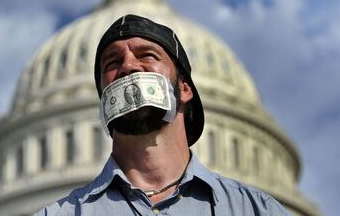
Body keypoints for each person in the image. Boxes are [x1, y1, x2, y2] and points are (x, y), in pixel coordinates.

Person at [34, 14, 290, 216]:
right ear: (104, 99)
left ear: (184, 88)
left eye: (147, 55)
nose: (128, 67)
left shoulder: (257, 210)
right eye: (112, 63)